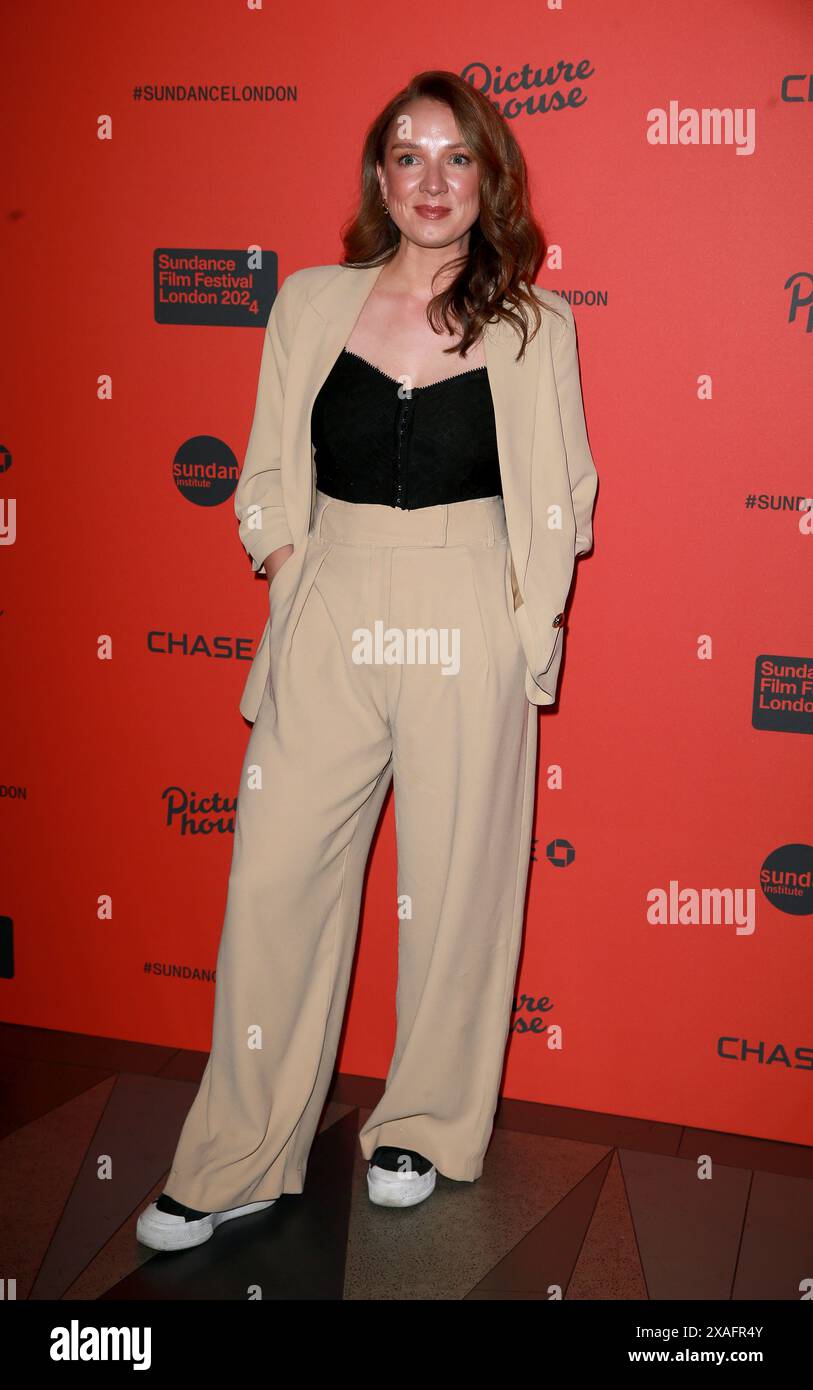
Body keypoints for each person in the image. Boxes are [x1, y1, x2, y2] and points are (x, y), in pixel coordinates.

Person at [136, 69, 598, 1254]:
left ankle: (429, 1127)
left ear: (489, 177)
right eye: (408, 156)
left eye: (457, 158)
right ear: (378, 177)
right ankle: (240, 1152)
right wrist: (292, 567)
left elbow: (561, 501)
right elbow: (269, 468)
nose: (432, 181)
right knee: (275, 882)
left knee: (457, 890)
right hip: (332, 596)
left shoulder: (535, 326)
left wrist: (520, 631)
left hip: (466, 606)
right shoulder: (308, 301)